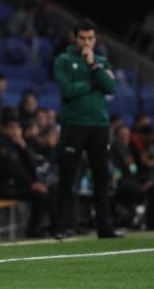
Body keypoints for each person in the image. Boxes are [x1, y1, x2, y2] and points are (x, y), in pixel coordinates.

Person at [53, 19, 121, 239]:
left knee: (101, 178)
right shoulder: (64, 60)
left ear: (96, 39)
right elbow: (67, 90)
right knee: (68, 178)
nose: (86, 42)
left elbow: (111, 88)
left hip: (100, 126)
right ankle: (66, 227)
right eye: (82, 38)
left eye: (90, 38)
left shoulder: (101, 62)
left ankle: (105, 227)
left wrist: (94, 66)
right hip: (74, 125)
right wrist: (93, 83)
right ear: (75, 38)